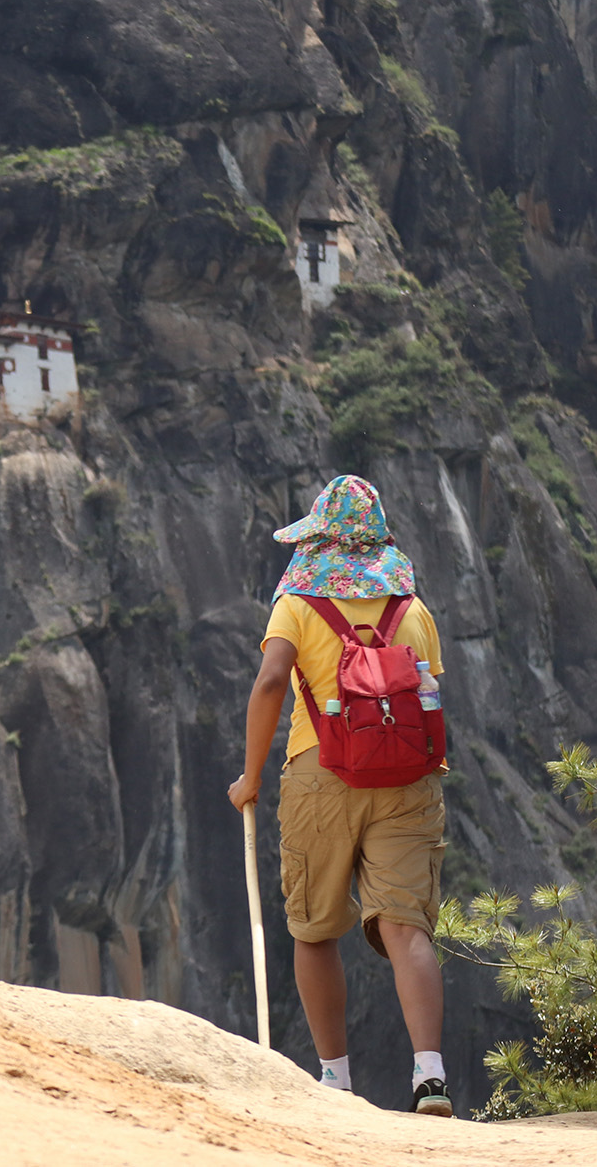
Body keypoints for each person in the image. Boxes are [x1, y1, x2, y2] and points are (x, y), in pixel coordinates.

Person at [225, 474, 453, 1116]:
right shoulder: (412, 609)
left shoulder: (296, 603)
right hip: (408, 780)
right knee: (406, 926)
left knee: (316, 926)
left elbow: (272, 681)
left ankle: (336, 1080)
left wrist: (251, 776)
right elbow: (430, 697)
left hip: (319, 774)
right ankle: (430, 1077)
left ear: (319, 538)